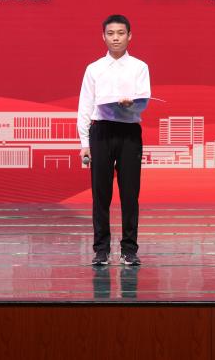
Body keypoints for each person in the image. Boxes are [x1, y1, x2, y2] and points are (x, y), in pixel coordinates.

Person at [77, 14, 151, 267]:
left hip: (129, 132)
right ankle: (101, 249)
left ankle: (129, 249)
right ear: (103, 37)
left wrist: (131, 105)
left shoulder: (139, 67)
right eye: (111, 34)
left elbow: (144, 101)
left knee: (130, 194)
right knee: (101, 194)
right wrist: (84, 143)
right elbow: (85, 105)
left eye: (121, 33)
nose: (116, 38)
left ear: (130, 36)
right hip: (101, 132)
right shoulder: (94, 68)